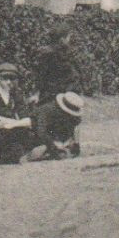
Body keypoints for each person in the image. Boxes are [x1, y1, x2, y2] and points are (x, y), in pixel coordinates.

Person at [29, 24, 84, 157]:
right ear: (62, 39)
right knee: (66, 117)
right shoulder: (65, 54)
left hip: (49, 93)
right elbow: (73, 76)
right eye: (68, 37)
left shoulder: (44, 53)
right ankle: (65, 144)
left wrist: (37, 91)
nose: (70, 40)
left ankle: (55, 144)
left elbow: (40, 76)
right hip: (62, 94)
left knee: (48, 119)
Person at [0, 61, 36, 165]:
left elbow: (25, 117)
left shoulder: (17, 95)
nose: (9, 82)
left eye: (12, 79)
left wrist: (12, 122)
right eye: (5, 78)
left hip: (13, 132)